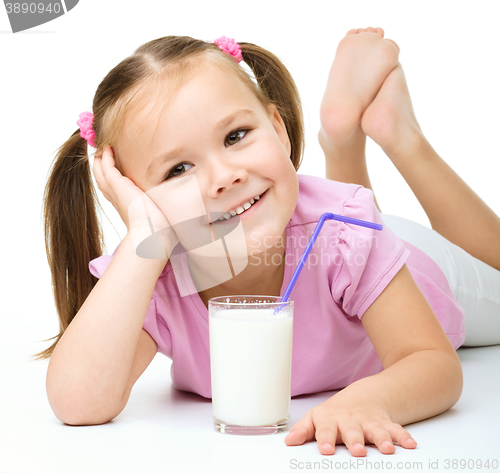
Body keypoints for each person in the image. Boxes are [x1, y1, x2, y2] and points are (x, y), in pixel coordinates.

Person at [40, 28, 500, 457]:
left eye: (236, 136)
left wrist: (364, 401)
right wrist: (143, 237)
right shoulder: (152, 274)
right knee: (344, 230)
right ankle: (343, 140)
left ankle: (399, 134)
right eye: (177, 169)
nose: (225, 177)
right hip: (337, 227)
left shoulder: (345, 233)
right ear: (138, 196)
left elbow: (431, 362)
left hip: (417, 266)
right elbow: (79, 404)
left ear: (278, 130)